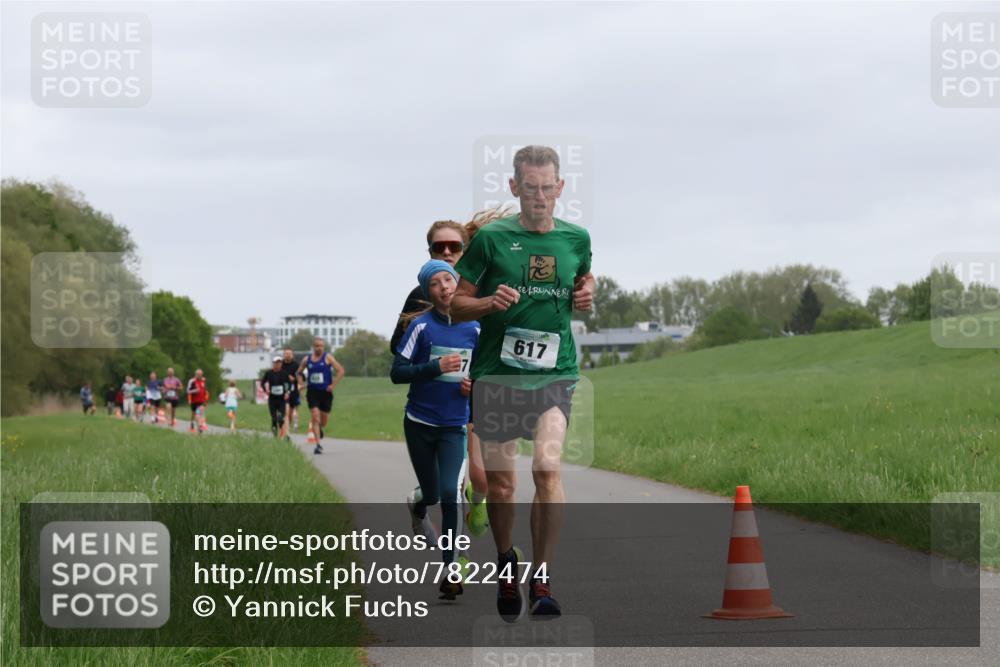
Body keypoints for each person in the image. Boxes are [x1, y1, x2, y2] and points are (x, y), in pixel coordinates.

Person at [452, 145, 595, 621]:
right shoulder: (491, 239)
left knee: (548, 470)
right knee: (502, 485)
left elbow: (584, 280)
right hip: (497, 375)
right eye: (529, 187)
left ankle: (544, 577)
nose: (539, 196)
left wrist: (588, 291)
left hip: (555, 374)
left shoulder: (576, 238)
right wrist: (490, 302)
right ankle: (506, 562)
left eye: (547, 187)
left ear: (560, 187)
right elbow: (455, 305)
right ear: (514, 187)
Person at [391, 260, 480, 601]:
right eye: (435, 284)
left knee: (450, 494)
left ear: (458, 283)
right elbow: (397, 372)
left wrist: (475, 385)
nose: (443, 287)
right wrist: (435, 367)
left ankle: (451, 569)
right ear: (428, 293)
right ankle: (416, 504)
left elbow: (485, 371)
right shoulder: (421, 327)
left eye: (448, 279)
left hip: (455, 426)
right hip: (418, 423)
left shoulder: (474, 328)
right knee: (430, 494)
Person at [298, 336, 345, 454]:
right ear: (313, 347)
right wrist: (301, 384)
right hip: (312, 392)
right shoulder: (306, 359)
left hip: (326, 393)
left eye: (321, 346)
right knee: (315, 416)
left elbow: (341, 370)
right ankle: (318, 444)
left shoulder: (327, 357)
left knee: (323, 421)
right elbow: (298, 373)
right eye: (317, 346)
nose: (319, 348)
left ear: (324, 347)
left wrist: (333, 385)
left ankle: (319, 429)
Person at [261, 356, 292, 438]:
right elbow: (262, 383)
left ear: (281, 364)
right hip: (272, 399)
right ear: (273, 364)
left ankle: (283, 433)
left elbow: (289, 384)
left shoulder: (284, 373)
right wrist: (266, 390)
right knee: (274, 419)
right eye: (276, 363)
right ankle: (275, 435)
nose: (278, 364)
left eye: (279, 363)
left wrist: (287, 393)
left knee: (281, 418)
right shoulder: (269, 373)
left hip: (282, 399)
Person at [281, 348, 302, 435]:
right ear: (284, 355)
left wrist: (294, 378)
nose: (288, 355)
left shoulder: (296, 365)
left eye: (289, 354)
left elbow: (301, 376)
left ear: (292, 355)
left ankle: (290, 425)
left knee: (291, 411)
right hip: (282, 391)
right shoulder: (280, 364)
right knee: (285, 410)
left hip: (293, 392)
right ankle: (285, 427)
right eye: (286, 353)